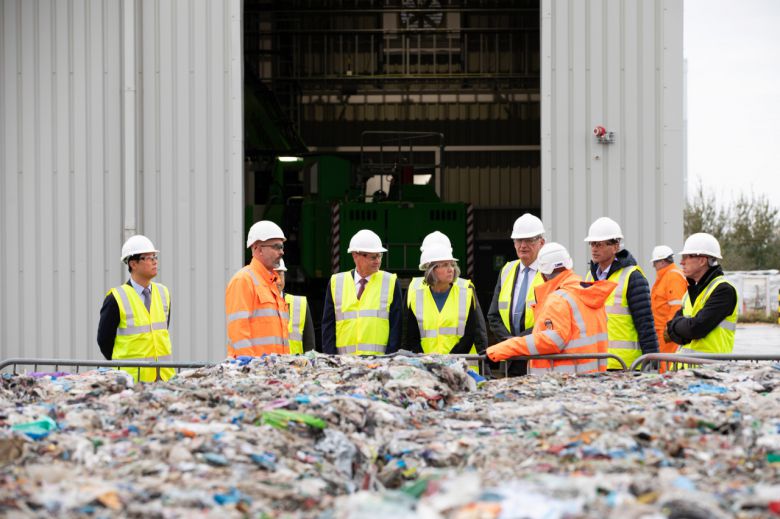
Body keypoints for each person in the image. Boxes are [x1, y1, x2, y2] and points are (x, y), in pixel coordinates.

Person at [486, 243, 615, 375]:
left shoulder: (558, 299)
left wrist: (501, 348)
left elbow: (551, 340)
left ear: (543, 273)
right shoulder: (588, 292)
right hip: (592, 378)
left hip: (563, 382)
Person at [584, 217, 659, 369]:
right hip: (597, 363)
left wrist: (653, 363)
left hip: (626, 366)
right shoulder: (590, 277)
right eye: (592, 244)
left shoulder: (633, 276)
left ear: (615, 246)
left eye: (599, 244)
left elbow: (645, 323)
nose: (594, 248)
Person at [97, 235, 174, 382]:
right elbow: (104, 341)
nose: (155, 261)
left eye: (155, 257)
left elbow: (162, 330)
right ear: (133, 263)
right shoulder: (116, 298)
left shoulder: (163, 293)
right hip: (131, 379)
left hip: (163, 378)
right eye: (149, 257)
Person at [405, 244, 487, 371]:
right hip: (427, 367)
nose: (451, 269)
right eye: (444, 265)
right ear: (431, 270)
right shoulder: (417, 296)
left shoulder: (465, 293)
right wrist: (425, 361)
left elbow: (470, 333)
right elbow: (412, 337)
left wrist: (450, 360)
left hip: (460, 367)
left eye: (451, 264)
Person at [322, 229, 402, 355]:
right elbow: (328, 327)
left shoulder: (390, 282)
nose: (378, 261)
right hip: (344, 363)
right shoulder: (336, 282)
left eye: (380, 255)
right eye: (373, 257)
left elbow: (396, 328)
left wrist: (389, 359)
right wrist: (331, 358)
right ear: (355, 255)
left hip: (379, 364)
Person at [486, 213, 547, 375]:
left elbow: (550, 320)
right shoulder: (507, 270)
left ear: (541, 242)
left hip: (537, 356)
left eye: (529, 240)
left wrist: (519, 342)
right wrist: (509, 343)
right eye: (519, 240)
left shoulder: (549, 272)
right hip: (510, 358)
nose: (523, 245)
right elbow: (493, 316)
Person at [666, 233, 738, 354]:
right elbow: (672, 332)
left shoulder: (724, 290)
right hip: (686, 369)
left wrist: (677, 326)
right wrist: (679, 327)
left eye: (686, 257)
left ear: (702, 261)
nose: (681, 262)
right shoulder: (690, 293)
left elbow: (696, 329)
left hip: (712, 369)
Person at [225, 220, 289, 357]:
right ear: (258, 249)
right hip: (256, 371)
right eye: (276, 247)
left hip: (274, 369)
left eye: (282, 247)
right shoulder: (243, 280)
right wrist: (250, 368)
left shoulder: (271, 283)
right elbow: (239, 330)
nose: (282, 252)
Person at [649, 245, 688, 358]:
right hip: (663, 331)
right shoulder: (667, 276)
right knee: (664, 364)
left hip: (667, 332)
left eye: (655, 263)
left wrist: (669, 330)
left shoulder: (672, 277)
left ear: (661, 262)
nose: (653, 266)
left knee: (667, 364)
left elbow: (677, 306)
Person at [274, 259, 316, 354]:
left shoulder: (299, 304)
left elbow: (309, 346)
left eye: (280, 274)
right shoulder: (257, 305)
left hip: (297, 367)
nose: (277, 281)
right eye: (273, 275)